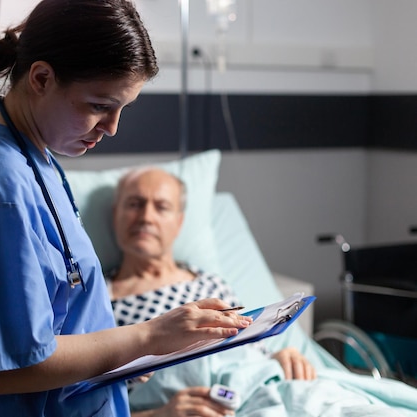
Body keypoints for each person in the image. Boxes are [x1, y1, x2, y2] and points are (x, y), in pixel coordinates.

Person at [0, 1, 253, 416]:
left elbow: (60, 319)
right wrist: (148, 337)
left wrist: (122, 358)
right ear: (41, 78)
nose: (111, 128)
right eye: (98, 106)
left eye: (122, 109)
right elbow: (6, 370)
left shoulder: (37, 158)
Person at [108, 167, 417, 417]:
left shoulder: (210, 282)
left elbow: (247, 346)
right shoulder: (101, 300)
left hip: (272, 385)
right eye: (134, 204)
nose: (146, 217)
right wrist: (160, 414)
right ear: (115, 214)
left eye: (161, 207)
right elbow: (90, 402)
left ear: (179, 223)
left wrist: (282, 355)